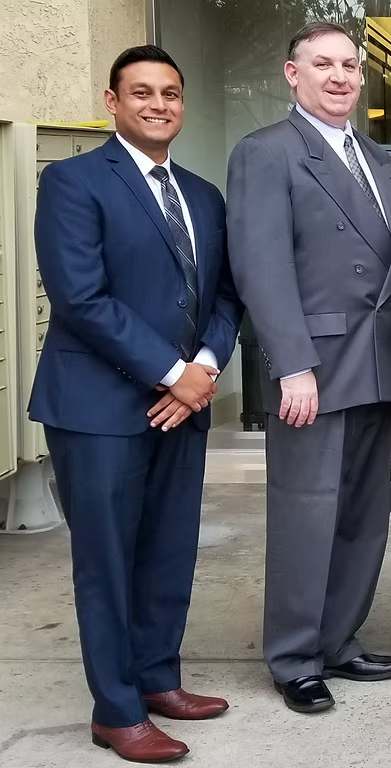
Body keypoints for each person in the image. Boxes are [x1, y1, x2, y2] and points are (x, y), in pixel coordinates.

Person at [30, 45, 243, 762]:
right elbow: (80, 298)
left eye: (172, 93)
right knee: (108, 562)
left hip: (182, 405)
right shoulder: (72, 181)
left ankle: (157, 678)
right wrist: (173, 371)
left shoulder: (204, 196)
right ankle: (116, 710)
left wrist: (203, 372)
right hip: (97, 409)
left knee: (167, 552)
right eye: (143, 92)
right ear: (113, 102)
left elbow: (225, 297)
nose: (160, 104)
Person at [226, 21, 391, 714]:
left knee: (363, 515)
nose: (339, 77)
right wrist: (291, 366)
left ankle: (338, 638)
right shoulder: (267, 153)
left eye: (349, 66)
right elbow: (262, 267)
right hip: (314, 368)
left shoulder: (373, 155)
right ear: (293, 74)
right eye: (323, 65)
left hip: (373, 363)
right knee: (307, 514)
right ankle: (294, 657)